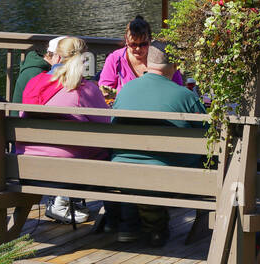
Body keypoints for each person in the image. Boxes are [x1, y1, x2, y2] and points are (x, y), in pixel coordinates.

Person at [100, 43, 206, 247]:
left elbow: (114, 129)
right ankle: (154, 228)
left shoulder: (125, 90)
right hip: (167, 173)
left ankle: (134, 224)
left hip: (121, 169)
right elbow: (208, 136)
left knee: (138, 172)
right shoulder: (185, 95)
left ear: (148, 63)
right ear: (176, 65)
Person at [15, 37, 108, 225]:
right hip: (68, 173)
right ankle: (118, 217)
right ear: (84, 59)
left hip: (25, 167)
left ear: (57, 57)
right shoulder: (85, 89)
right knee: (112, 153)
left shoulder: (34, 83)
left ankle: (62, 202)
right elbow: (108, 125)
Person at [98, 16, 184, 97]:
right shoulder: (115, 59)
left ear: (150, 40)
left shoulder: (161, 56)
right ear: (126, 40)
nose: (138, 49)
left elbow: (178, 86)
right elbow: (104, 90)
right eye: (133, 44)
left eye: (143, 44)